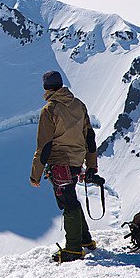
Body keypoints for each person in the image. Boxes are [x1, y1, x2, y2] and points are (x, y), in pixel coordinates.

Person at [30, 70, 98, 263]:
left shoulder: (49, 110)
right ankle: (85, 241)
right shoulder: (78, 105)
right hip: (76, 163)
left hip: (59, 164)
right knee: (71, 200)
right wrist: (91, 166)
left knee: (68, 204)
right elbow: (89, 138)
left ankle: (73, 249)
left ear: (45, 88)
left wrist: (35, 175)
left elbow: (44, 146)